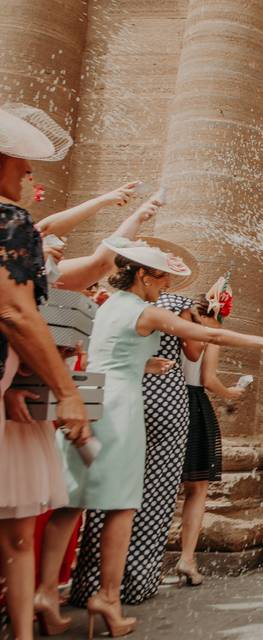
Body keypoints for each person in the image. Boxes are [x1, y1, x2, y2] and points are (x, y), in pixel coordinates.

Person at [37, 237, 263, 638]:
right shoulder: (145, 312)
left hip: (88, 401)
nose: (165, 286)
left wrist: (146, 360)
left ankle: (45, 594)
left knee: (71, 503)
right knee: (121, 505)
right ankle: (108, 596)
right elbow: (211, 338)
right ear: (141, 274)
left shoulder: (107, 305)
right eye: (161, 278)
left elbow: (106, 350)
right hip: (120, 409)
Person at [68, 237, 203, 608]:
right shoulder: (176, 306)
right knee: (154, 494)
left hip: (114, 395)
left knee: (104, 493)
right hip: (163, 397)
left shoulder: (113, 304)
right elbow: (195, 350)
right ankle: (135, 583)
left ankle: (90, 583)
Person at [0, 104, 89, 640]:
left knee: (14, 531)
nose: (31, 177)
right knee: (13, 531)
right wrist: (66, 393)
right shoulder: (9, 221)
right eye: (25, 167)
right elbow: (14, 311)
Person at [175, 276, 247, 586]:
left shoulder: (177, 324)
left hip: (165, 396)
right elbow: (208, 378)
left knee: (162, 484)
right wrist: (232, 393)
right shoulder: (212, 330)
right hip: (193, 403)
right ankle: (187, 558)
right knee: (197, 489)